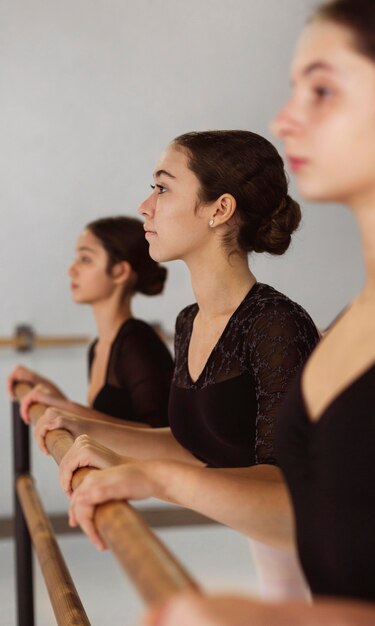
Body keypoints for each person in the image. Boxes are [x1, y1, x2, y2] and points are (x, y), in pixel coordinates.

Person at [138, 0, 375, 623]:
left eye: (322, 89)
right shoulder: (358, 321)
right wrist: (152, 475)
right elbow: (320, 514)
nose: (285, 119)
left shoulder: (281, 323)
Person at [32, 130, 320, 599]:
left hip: (336, 575)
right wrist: (85, 428)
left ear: (218, 209)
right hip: (278, 569)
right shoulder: (191, 321)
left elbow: (286, 487)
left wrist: (142, 473)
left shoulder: (276, 324)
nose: (145, 206)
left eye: (162, 188)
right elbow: (195, 443)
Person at [8, 216, 173, 427]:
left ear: (119, 271)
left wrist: (67, 409)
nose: (71, 270)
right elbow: (105, 425)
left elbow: (160, 435)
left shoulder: (137, 342)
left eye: (85, 259)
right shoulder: (98, 347)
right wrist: (51, 395)